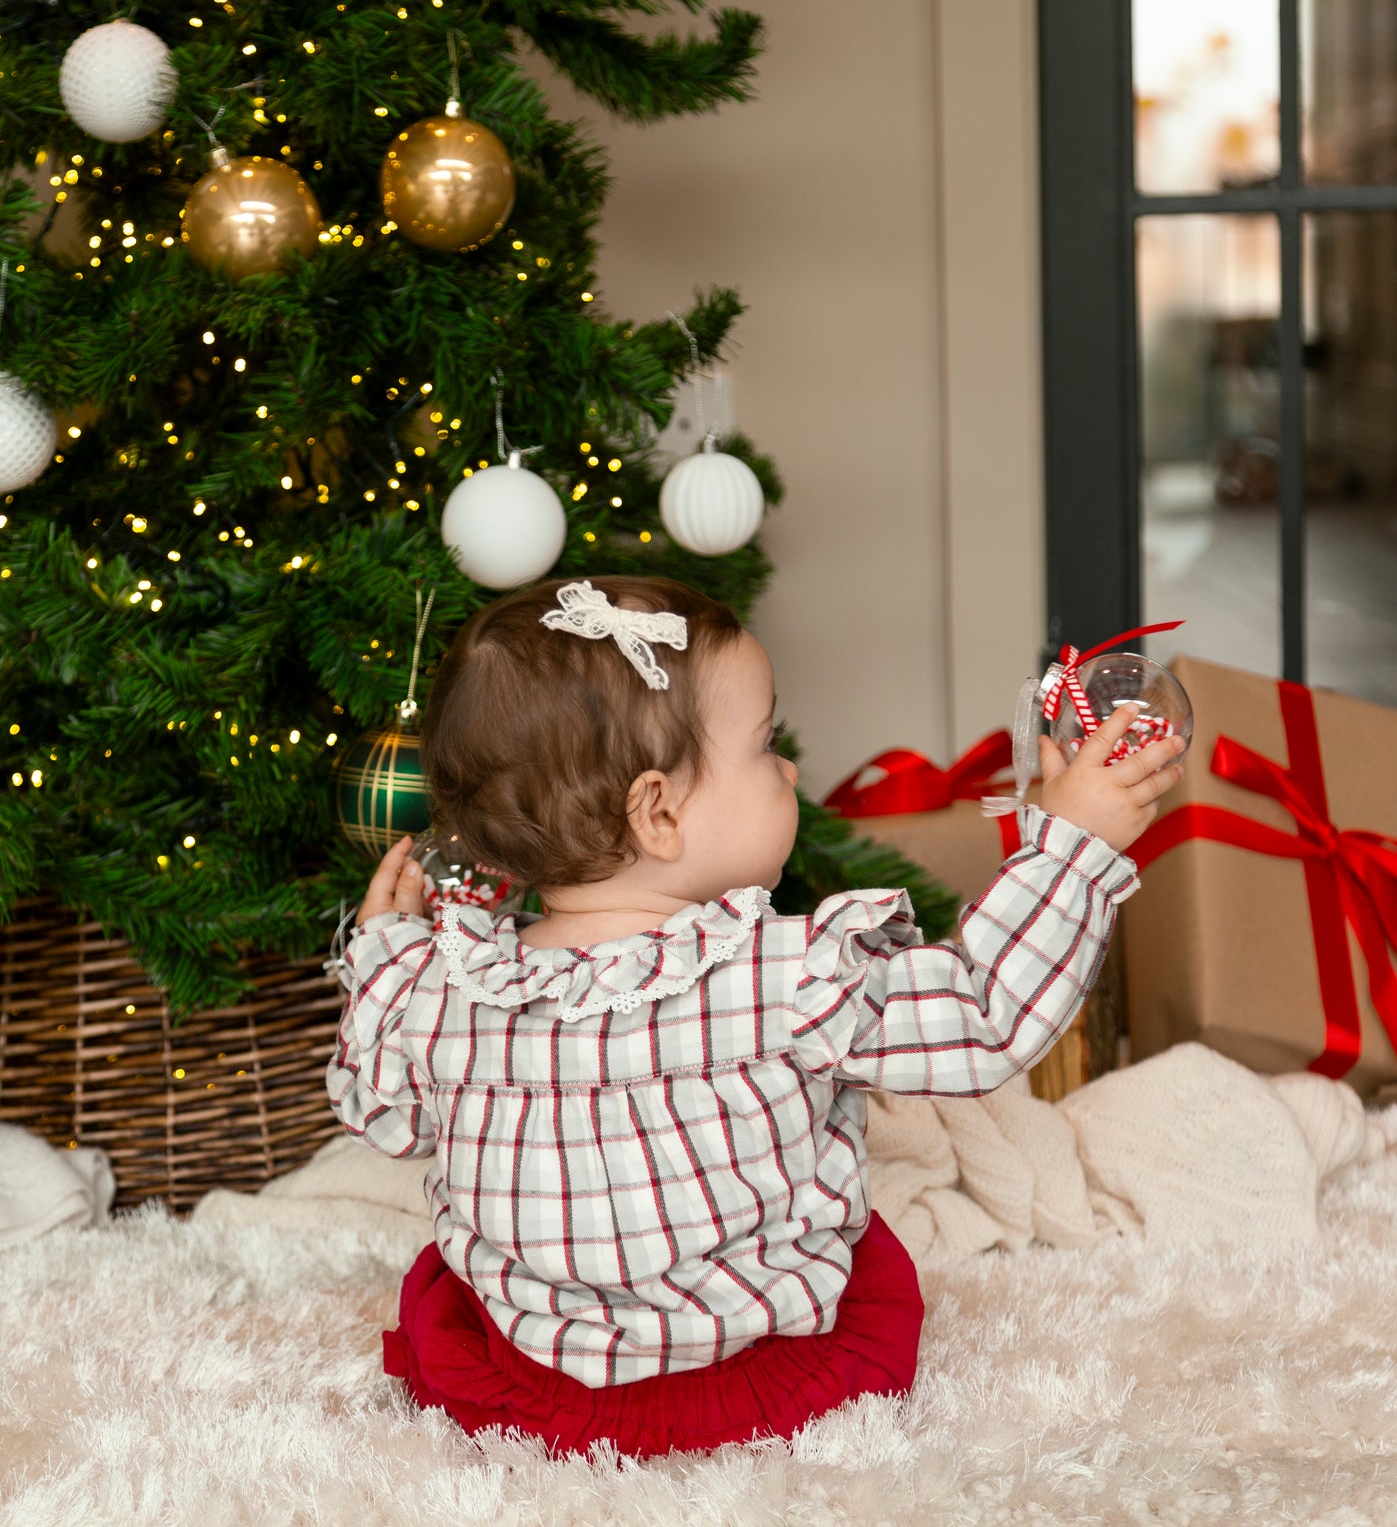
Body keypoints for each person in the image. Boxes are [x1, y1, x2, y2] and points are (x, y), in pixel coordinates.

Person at [328, 576, 1184, 1459]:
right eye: (765, 744)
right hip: (764, 1381)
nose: (790, 769)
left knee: (444, 1279)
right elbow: (982, 1016)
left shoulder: (449, 995)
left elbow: (380, 1112)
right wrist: (1070, 850)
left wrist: (389, 952)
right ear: (657, 813)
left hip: (530, 1389)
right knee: (872, 1260)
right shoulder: (788, 975)